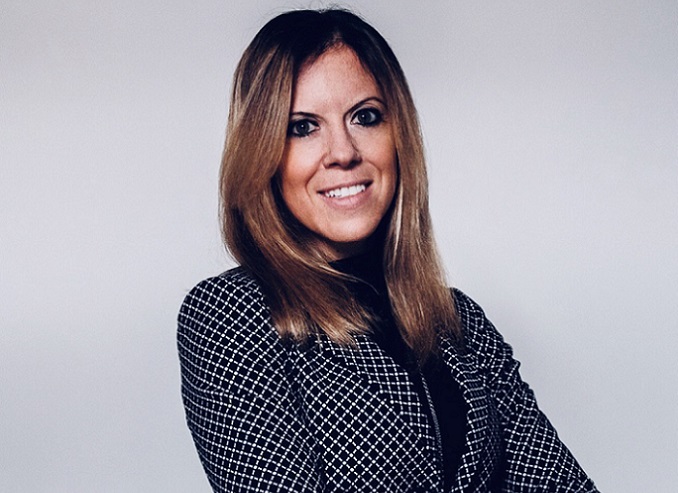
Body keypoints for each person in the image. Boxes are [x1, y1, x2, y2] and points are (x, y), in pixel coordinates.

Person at [178, 8, 599, 493]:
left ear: (398, 136)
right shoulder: (230, 315)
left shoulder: (459, 322)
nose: (343, 152)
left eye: (366, 117)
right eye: (303, 127)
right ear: (262, 154)